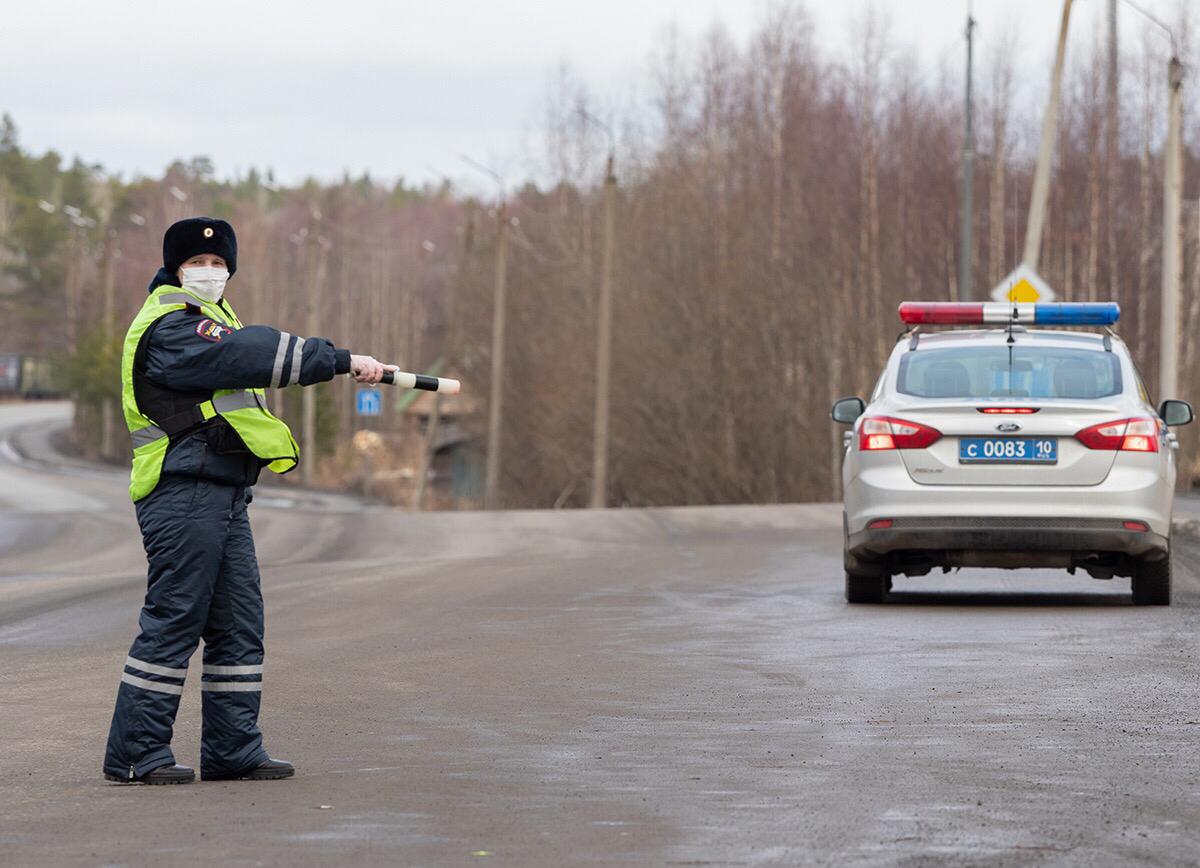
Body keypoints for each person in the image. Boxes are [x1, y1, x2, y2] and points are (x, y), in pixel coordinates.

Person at [103, 217, 392, 784]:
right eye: (197, 263)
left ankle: (232, 749)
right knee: (175, 620)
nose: (208, 272)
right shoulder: (171, 325)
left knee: (238, 623)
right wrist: (336, 359)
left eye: (217, 264)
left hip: (224, 489)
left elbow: (238, 364)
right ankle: (136, 753)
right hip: (180, 488)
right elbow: (245, 354)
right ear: (174, 267)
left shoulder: (212, 319)